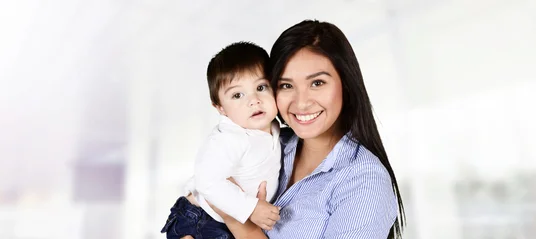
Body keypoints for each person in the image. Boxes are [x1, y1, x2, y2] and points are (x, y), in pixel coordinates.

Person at [211, 20, 406, 239]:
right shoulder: (267, 142)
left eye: (317, 83)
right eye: (286, 85)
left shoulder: (364, 181)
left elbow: (219, 201)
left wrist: (236, 219)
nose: (301, 102)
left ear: (346, 83)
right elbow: (200, 194)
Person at [160, 42, 283, 239]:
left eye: (261, 87)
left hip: (230, 222)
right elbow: (207, 181)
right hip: (201, 220)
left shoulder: (274, 127)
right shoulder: (229, 138)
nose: (253, 100)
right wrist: (250, 208)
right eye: (237, 95)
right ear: (220, 108)